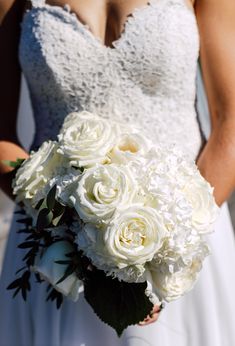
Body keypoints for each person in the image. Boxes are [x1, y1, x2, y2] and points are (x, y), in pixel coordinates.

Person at [0, 0, 235, 345]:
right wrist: (71, 234)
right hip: (54, 250)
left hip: (185, 242)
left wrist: (169, 248)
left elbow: (230, 122)